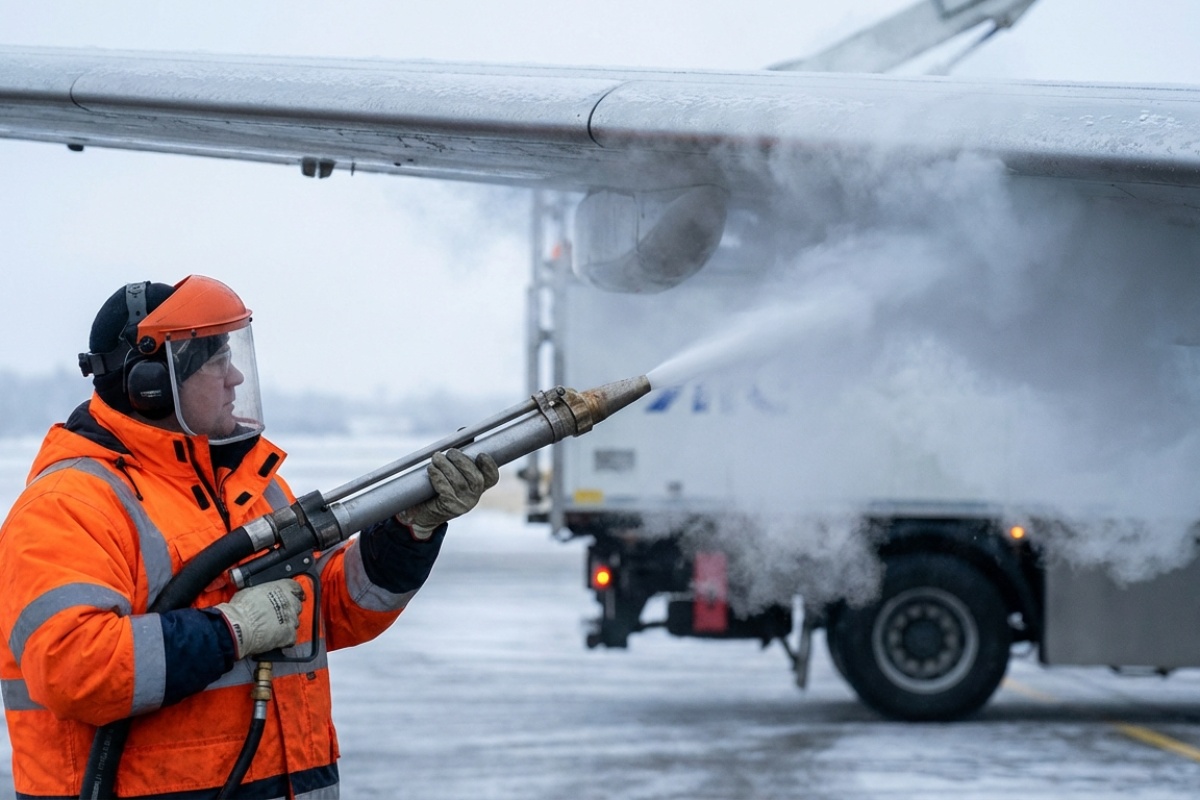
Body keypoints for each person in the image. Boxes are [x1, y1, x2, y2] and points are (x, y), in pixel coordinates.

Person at [0, 276, 499, 799]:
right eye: (217, 362)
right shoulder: (69, 506)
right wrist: (232, 629)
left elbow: (328, 609)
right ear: (153, 384)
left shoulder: (252, 487)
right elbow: (75, 669)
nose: (236, 377)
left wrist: (409, 531)